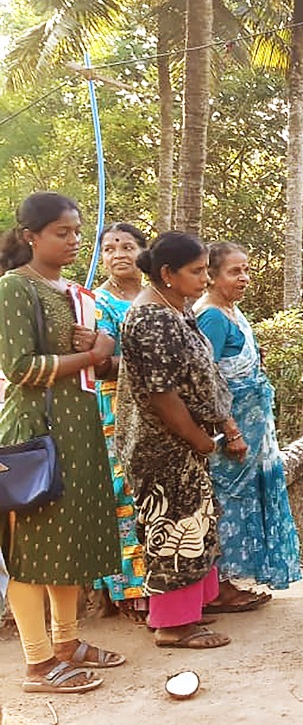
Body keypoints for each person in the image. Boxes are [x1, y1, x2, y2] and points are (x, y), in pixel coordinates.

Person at [0, 192, 123, 692]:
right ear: (30, 236)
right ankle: (36, 662)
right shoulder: (13, 288)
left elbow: (104, 350)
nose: (74, 241)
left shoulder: (72, 291)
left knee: (66, 541)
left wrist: (103, 345)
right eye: (61, 232)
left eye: (76, 231)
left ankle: (67, 642)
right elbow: (20, 368)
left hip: (77, 426)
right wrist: (90, 356)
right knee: (31, 550)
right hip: (34, 433)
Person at [116, 231, 243, 649]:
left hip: (184, 443)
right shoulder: (151, 318)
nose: (204, 279)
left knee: (196, 522)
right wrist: (197, 438)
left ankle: (191, 610)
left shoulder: (174, 307)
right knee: (174, 529)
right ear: (167, 273)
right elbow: (161, 393)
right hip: (164, 445)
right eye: (196, 271)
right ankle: (172, 624)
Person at [195, 242, 302, 599]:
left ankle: (230, 582)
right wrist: (231, 430)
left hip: (251, 429)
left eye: (246, 270)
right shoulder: (210, 316)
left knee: (242, 500)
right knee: (228, 501)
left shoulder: (230, 311)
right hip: (231, 432)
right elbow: (206, 378)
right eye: (234, 271)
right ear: (211, 276)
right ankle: (221, 586)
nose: (244, 278)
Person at [92, 222, 151, 623]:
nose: (118, 255)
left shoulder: (156, 295)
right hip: (117, 408)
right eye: (110, 248)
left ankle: (168, 585)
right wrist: (152, 363)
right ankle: (128, 591)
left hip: (159, 410)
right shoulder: (98, 303)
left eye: (127, 246)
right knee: (123, 492)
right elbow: (101, 363)